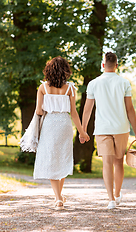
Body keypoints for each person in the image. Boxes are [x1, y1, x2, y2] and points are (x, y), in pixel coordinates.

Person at [80, 52, 136, 209]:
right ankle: (117, 194)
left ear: (103, 65)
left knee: (107, 163)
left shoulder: (93, 83)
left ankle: (111, 200)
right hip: (121, 128)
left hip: (102, 129)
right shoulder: (124, 83)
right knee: (118, 162)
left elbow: (87, 109)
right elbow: (130, 109)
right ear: (116, 65)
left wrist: (83, 130)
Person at [34, 56, 89, 210]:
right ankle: (59, 196)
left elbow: (39, 111)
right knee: (63, 159)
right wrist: (82, 132)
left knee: (52, 158)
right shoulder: (70, 88)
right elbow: (74, 112)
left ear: (49, 70)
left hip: (49, 124)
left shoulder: (43, 88)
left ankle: (58, 198)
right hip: (64, 124)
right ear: (65, 70)